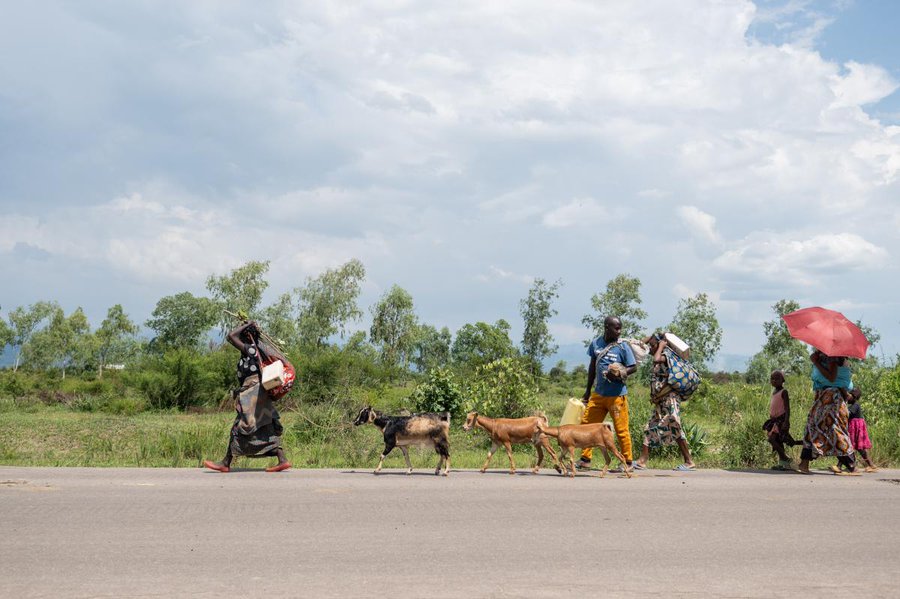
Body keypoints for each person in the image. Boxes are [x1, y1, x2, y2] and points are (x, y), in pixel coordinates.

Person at [204, 320, 291, 473]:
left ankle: (225, 462)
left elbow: (231, 336)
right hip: (257, 392)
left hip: (253, 393)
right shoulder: (256, 350)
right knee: (264, 426)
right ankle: (281, 458)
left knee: (240, 426)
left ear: (246, 337)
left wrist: (247, 324)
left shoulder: (250, 349)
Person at [576, 316, 637, 472]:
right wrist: (588, 390)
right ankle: (585, 459)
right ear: (606, 328)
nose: (619, 331)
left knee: (621, 430)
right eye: (616, 328)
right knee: (586, 426)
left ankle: (627, 462)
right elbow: (592, 368)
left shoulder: (623, 346)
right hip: (598, 394)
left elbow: (633, 367)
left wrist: (619, 374)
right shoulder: (596, 344)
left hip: (617, 396)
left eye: (620, 328)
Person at [633, 333, 695, 472]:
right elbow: (640, 347)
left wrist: (660, 345)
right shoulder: (658, 351)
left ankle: (689, 461)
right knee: (650, 428)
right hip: (661, 402)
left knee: (675, 428)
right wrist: (649, 338)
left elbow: (656, 360)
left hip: (670, 400)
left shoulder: (667, 356)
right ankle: (642, 461)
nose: (651, 348)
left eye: (653, 345)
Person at [797, 350, 856, 475]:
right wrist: (817, 359)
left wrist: (816, 362)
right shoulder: (825, 357)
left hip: (832, 399)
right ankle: (804, 463)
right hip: (824, 398)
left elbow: (831, 377)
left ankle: (851, 464)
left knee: (834, 429)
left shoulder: (833, 357)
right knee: (812, 427)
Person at [762, 370, 800, 470]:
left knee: (771, 439)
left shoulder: (784, 392)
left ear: (782, 380)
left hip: (781, 420)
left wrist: (786, 421)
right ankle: (783, 464)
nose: (774, 380)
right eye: (772, 379)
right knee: (778, 441)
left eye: (777, 378)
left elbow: (787, 408)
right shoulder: (774, 392)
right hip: (774, 420)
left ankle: (786, 458)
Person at [847, 388, 877, 473]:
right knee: (855, 447)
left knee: (850, 446)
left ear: (854, 397)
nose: (847, 397)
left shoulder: (855, 405)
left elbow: (848, 413)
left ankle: (843, 465)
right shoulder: (853, 405)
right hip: (854, 428)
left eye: (849, 396)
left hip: (856, 428)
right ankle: (871, 465)